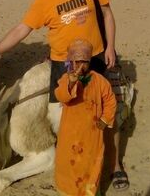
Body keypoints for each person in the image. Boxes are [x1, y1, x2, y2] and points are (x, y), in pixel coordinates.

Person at [0, 0, 130, 191]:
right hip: (63, 65)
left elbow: (107, 14)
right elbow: (22, 29)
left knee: (105, 110)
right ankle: (75, 164)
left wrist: (110, 46)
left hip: (96, 58)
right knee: (67, 119)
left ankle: (115, 165)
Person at [54, 39, 116, 196]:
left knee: (91, 165)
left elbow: (110, 100)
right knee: (68, 165)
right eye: (77, 62)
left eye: (84, 62)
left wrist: (105, 119)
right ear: (71, 62)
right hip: (70, 135)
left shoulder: (100, 81)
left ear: (89, 62)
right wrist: (70, 84)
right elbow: (61, 96)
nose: (81, 66)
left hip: (92, 135)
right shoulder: (65, 79)